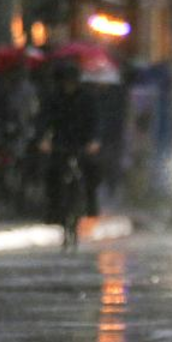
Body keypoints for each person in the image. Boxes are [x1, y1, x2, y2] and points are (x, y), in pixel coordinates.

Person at [39, 63, 101, 223]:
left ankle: (91, 205)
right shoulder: (54, 98)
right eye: (66, 82)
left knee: (92, 168)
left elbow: (95, 121)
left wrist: (94, 141)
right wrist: (45, 140)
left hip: (82, 143)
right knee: (52, 172)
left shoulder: (87, 98)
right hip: (61, 142)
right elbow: (45, 119)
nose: (69, 85)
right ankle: (52, 209)